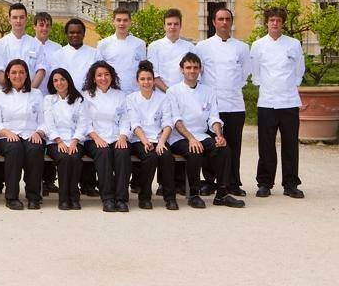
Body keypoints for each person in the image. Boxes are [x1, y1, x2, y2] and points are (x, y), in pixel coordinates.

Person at [166, 53, 244, 209]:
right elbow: (176, 121)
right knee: (194, 150)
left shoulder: (208, 91)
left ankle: (222, 194)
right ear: (182, 69)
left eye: (195, 68)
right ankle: (194, 195)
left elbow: (213, 118)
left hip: (201, 135)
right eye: (188, 67)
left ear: (200, 70)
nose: (192, 71)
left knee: (224, 149)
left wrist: (219, 136)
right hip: (179, 137)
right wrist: (191, 139)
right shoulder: (173, 91)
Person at [194, 7, 251, 196]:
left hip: (234, 104)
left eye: (227, 19)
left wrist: (232, 88)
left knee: (233, 145)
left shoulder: (242, 47)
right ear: (213, 22)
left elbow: (245, 73)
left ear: (232, 22)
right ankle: (209, 181)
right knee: (211, 145)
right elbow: (198, 73)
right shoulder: (202, 47)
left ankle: (233, 183)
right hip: (211, 105)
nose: (224, 22)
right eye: (220, 19)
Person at [251, 7, 305, 199]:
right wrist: (267, 87)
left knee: (290, 144)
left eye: (278, 20)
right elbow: (255, 72)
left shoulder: (294, 44)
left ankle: (291, 184)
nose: (275, 23)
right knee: (266, 145)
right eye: (272, 20)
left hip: (289, 101)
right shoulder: (257, 45)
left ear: (283, 23)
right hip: (267, 101)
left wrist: (290, 86)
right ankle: (265, 183)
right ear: (266, 22)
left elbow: (299, 69)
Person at [0, 58, 47, 210]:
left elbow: (44, 121)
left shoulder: (36, 94)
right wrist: (7, 132)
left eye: (21, 72)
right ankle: (11, 197)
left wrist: (39, 133)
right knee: (14, 149)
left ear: (27, 75)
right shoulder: (0, 94)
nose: (18, 76)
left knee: (35, 149)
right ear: (8, 75)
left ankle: (33, 196)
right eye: (14, 72)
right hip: (6, 135)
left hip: (31, 134)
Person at [126, 60, 178, 210]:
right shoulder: (131, 98)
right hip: (139, 139)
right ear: (137, 81)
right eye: (142, 79)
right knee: (150, 157)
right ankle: (144, 197)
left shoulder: (163, 98)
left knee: (166, 156)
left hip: (159, 138)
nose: (146, 82)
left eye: (149, 79)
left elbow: (168, 122)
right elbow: (134, 124)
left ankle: (170, 198)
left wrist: (161, 142)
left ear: (154, 81)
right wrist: (145, 141)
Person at [82, 61, 132, 212]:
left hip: (116, 137)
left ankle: (121, 199)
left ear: (112, 76)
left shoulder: (120, 95)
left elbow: (125, 119)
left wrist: (123, 136)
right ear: (93, 78)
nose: (103, 78)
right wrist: (96, 138)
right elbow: (84, 122)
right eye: (99, 75)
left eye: (106, 74)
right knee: (103, 153)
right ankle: (108, 198)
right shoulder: (86, 96)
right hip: (94, 138)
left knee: (123, 153)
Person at [43, 68, 87, 210]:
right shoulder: (49, 100)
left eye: (62, 79)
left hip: (75, 140)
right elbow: (49, 123)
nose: (59, 83)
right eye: (55, 80)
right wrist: (59, 141)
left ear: (68, 81)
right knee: (64, 158)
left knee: (74, 158)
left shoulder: (79, 100)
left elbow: (83, 123)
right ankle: (63, 198)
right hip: (55, 141)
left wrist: (74, 141)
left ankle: (74, 197)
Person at [31, 11, 61, 194]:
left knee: (49, 135)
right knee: (35, 137)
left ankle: (49, 180)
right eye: (41, 25)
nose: (44, 28)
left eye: (47, 25)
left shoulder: (57, 48)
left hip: (51, 97)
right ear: (34, 26)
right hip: (31, 97)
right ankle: (36, 179)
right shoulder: (28, 44)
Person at [0, 3, 46, 90]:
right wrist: (12, 90)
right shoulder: (0, 44)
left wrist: (29, 89)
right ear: (9, 19)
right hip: (7, 93)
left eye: (21, 17)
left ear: (26, 19)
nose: (18, 21)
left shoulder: (36, 44)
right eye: (15, 17)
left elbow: (41, 70)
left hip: (30, 93)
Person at [97, 7, 146, 94]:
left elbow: (143, 69)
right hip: (111, 92)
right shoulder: (103, 44)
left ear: (130, 22)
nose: (122, 23)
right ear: (113, 21)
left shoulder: (140, 44)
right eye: (119, 20)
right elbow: (99, 70)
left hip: (134, 92)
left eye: (125, 20)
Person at [148, 8, 194, 92]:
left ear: (180, 26)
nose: (172, 27)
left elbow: (194, 73)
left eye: (176, 24)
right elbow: (153, 74)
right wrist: (169, 92)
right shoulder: (154, 46)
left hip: (185, 93)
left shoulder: (190, 47)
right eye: (169, 24)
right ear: (164, 26)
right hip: (161, 95)